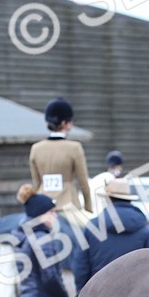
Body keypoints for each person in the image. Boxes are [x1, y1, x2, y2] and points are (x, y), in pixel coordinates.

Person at [30, 97, 94, 231]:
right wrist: (88, 208)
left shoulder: (36, 148)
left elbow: (36, 184)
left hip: (44, 208)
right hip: (69, 205)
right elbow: (83, 182)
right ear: (66, 123)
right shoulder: (74, 147)